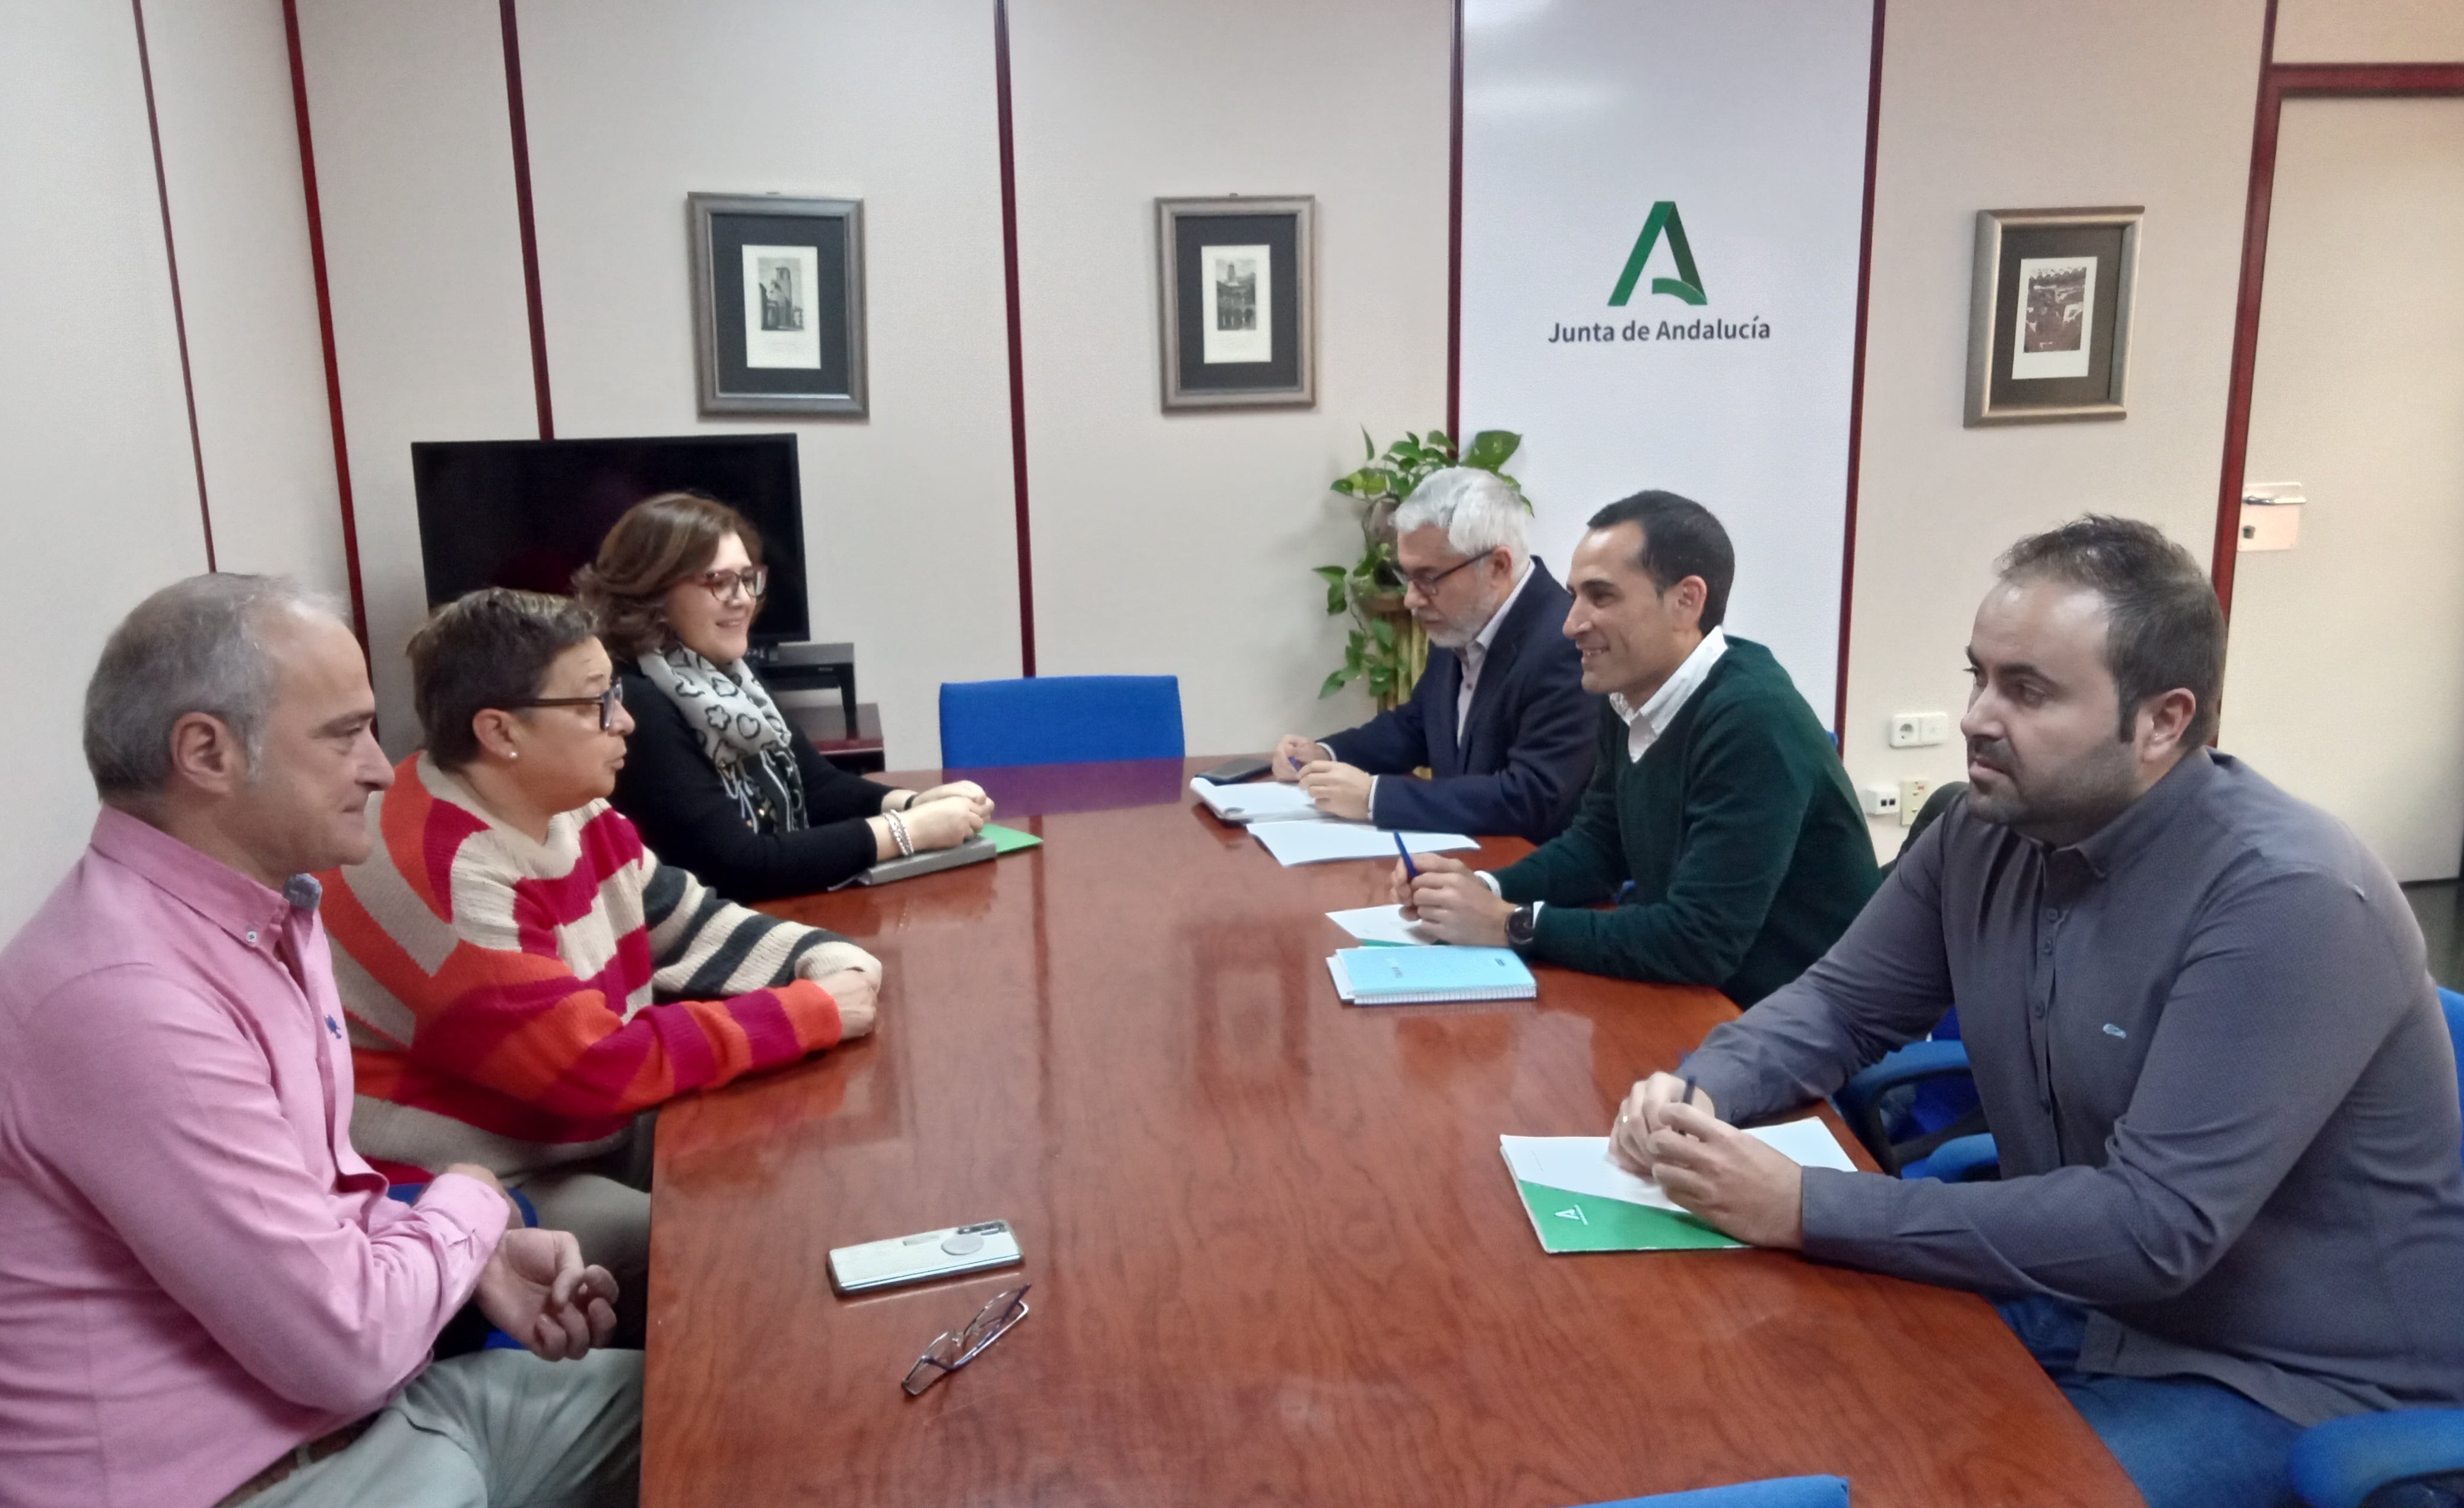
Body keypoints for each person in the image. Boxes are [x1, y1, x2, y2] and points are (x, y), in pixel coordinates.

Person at [1607, 518, 2464, 1508]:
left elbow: (2154, 1225)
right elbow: (1842, 1003)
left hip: (2286, 1377)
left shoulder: (2289, 897)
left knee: (1931, 1484)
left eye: (2027, 690)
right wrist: (1700, 1089)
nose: (1975, 715)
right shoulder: (1985, 828)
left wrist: (1805, 1205)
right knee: (1756, 1400)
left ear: (2161, 721)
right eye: (1977, 676)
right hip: (2084, 1302)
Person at [0, 574, 636, 1508]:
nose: (382, 768)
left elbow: (318, 1207)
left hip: (379, 1420)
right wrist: (473, 1202)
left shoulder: (267, 915)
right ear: (206, 753)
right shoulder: (123, 999)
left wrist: (475, 1266)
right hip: (262, 1481)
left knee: (739, 1408)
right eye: (345, 735)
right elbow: (348, 1344)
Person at [318, 588, 884, 1331]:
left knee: (800, 1156)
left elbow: (682, 923)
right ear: (499, 731)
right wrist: (812, 1010)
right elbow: (589, 1070)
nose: (625, 720)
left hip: (581, 1124)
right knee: (726, 1242)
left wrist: (825, 962)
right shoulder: (441, 867)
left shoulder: (563, 803)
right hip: (489, 1174)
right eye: (595, 704)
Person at [1400, 490, 1878, 1005]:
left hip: (1805, 1020)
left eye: (1600, 597)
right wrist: (1481, 889)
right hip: (1710, 1000)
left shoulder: (1752, 720)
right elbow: (1598, 848)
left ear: (1685, 602)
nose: (1570, 623)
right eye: (1574, 595)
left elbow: (1699, 942)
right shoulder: (1628, 691)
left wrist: (1512, 924)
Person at [576, 491, 991, 900]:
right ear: (653, 595)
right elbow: (740, 864)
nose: (742, 599)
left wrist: (913, 802)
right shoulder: (637, 699)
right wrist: (910, 830)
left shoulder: (727, 676)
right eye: (717, 581)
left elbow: (817, 785)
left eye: (746, 579)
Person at [1271, 468, 1593, 841]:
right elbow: (1420, 727)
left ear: (1498, 566)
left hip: (1526, 880)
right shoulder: (1464, 619)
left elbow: (1532, 798)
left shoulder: (1565, 645)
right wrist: (1326, 754)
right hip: (1463, 862)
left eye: (1428, 578)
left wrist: (1376, 798)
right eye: (1407, 577)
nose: (1411, 599)